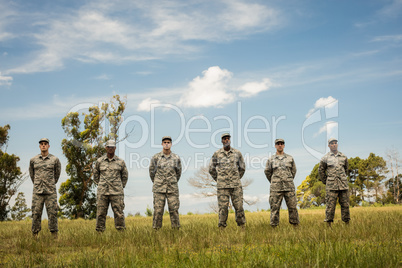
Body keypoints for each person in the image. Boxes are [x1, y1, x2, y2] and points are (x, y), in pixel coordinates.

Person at [209, 133, 246, 229]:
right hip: (222, 187)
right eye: (224, 139)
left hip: (236, 186)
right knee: (223, 208)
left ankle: (242, 227)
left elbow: (242, 168)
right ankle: (222, 228)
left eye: (228, 139)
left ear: (230, 140)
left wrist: (236, 178)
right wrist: (219, 179)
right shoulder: (217, 154)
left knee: (239, 207)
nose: (226, 140)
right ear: (222, 141)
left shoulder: (237, 153)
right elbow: (211, 169)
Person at [29, 138, 61, 238]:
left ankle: (54, 235)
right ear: (39, 146)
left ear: (48, 146)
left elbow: (57, 174)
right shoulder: (33, 160)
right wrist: (37, 183)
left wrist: (51, 183)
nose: (43, 145)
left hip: (50, 191)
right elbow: (31, 174)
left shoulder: (54, 159)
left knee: (52, 213)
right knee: (36, 213)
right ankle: (35, 235)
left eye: (45, 144)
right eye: (41, 144)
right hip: (37, 191)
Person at [93, 140, 128, 232]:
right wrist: (101, 185)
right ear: (106, 148)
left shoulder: (120, 162)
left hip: (117, 192)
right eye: (109, 147)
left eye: (112, 147)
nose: (110, 149)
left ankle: (121, 232)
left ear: (115, 148)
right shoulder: (99, 161)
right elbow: (95, 176)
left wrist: (120, 186)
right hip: (103, 192)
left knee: (119, 213)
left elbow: (125, 176)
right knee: (100, 213)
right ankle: (100, 232)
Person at [264, 138, 299, 227]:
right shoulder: (271, 159)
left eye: (281, 143)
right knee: (274, 208)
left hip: (289, 187)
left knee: (293, 207)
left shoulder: (290, 158)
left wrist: (288, 179)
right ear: (275, 146)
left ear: (284, 145)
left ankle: (295, 226)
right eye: (278, 144)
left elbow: (293, 171)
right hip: (276, 188)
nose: (280, 145)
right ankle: (274, 227)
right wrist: (274, 181)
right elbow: (267, 172)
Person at [149, 136, 182, 230]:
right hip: (159, 188)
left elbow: (178, 173)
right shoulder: (156, 157)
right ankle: (156, 230)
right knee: (158, 211)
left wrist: (172, 181)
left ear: (171, 144)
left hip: (172, 188)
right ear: (162, 144)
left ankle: (175, 230)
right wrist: (157, 182)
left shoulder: (176, 158)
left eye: (168, 142)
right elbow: (152, 172)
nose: (166, 144)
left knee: (174, 210)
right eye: (165, 142)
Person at [318, 138, 350, 227]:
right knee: (330, 206)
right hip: (331, 186)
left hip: (343, 185)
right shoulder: (325, 158)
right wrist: (327, 181)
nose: (334, 145)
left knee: (345, 205)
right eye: (332, 143)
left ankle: (346, 223)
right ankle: (329, 225)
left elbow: (346, 169)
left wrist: (342, 178)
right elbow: (321, 171)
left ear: (337, 144)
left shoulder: (343, 157)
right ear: (328, 145)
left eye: (335, 143)